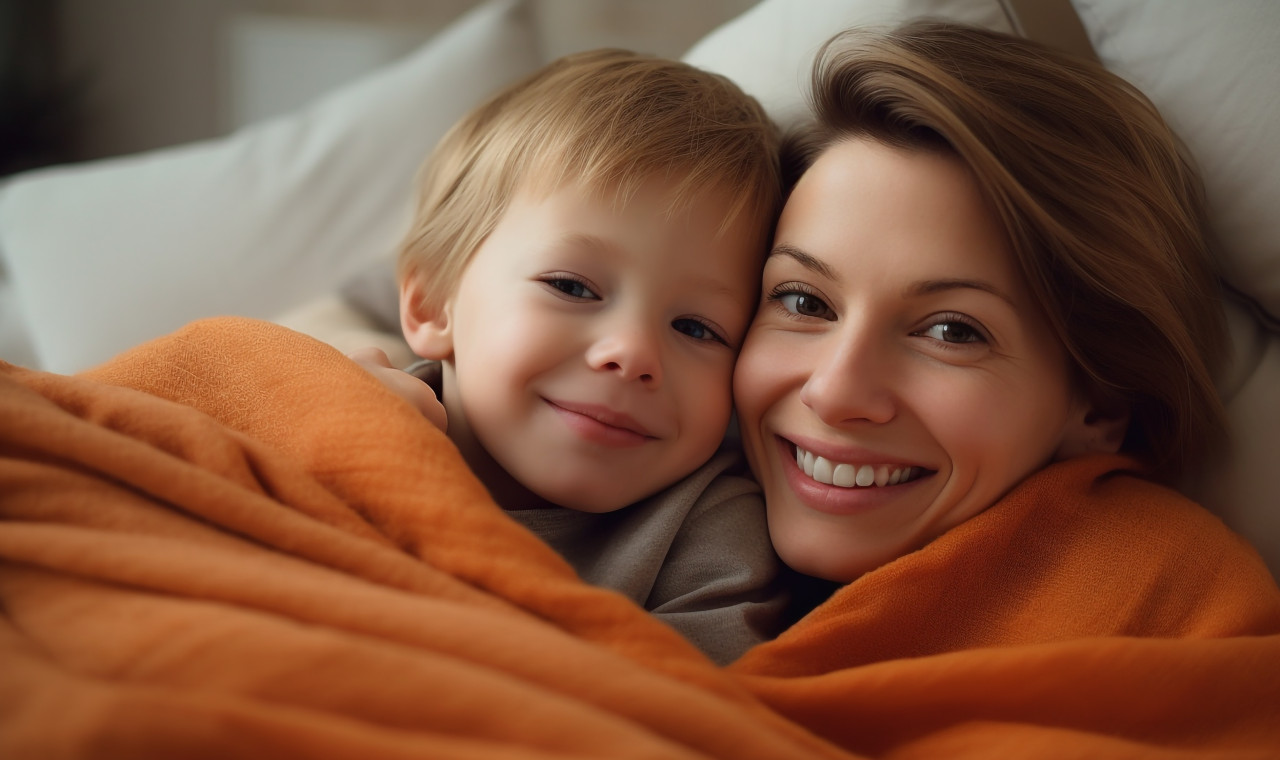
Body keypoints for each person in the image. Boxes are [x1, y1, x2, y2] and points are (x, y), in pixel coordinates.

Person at [730, 20, 1258, 587]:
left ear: (1100, 405)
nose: (834, 393)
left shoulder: (1172, 609)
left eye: (953, 333)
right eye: (805, 301)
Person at [352, 48, 805, 664]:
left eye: (697, 328)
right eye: (571, 287)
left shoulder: (706, 530)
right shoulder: (348, 418)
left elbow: (689, 723)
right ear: (433, 305)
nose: (633, 352)